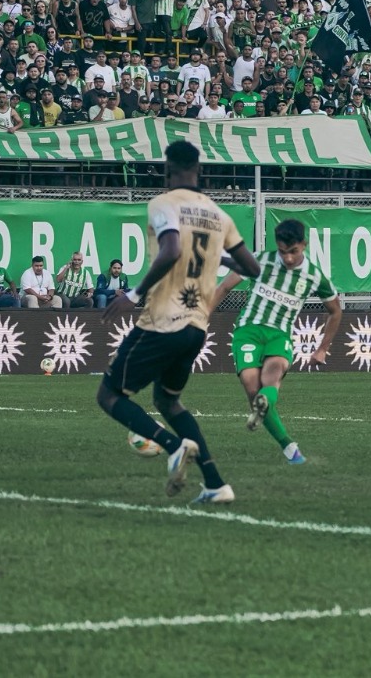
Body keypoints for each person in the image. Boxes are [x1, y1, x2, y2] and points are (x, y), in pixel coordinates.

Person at [99, 140, 262, 505]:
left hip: (161, 320)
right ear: (199, 169)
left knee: (109, 395)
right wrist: (217, 255)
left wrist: (134, 293)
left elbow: (171, 249)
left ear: (167, 169)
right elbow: (251, 269)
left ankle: (172, 446)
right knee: (168, 401)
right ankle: (216, 484)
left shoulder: (164, 203)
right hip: (196, 327)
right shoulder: (219, 215)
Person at [209, 218, 343, 465]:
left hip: (279, 335)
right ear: (277, 246)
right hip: (248, 331)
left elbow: (336, 310)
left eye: (293, 251)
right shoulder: (259, 260)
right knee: (252, 386)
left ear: (304, 244)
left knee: (273, 375)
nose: (289, 258)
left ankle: (273, 422)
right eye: (283, 252)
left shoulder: (314, 275)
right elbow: (224, 288)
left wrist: (323, 348)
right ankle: (287, 443)